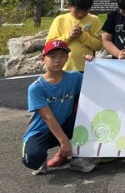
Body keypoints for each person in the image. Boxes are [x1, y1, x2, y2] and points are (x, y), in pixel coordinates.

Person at [21, 40, 96, 175]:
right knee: (32, 160)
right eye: (53, 56)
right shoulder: (36, 87)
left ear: (67, 58)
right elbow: (48, 117)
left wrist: (92, 65)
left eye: (62, 56)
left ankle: (78, 158)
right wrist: (64, 141)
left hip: (65, 124)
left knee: (88, 117)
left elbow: (94, 83)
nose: (57, 60)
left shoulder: (74, 77)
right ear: (43, 59)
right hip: (41, 130)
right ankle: (41, 158)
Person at [46, 0, 103, 72]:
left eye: (85, 10)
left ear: (90, 8)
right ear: (69, 6)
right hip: (64, 68)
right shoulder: (60, 20)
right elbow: (49, 45)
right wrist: (69, 35)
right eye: (77, 10)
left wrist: (82, 36)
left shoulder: (94, 20)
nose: (81, 14)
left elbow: (99, 45)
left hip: (86, 67)